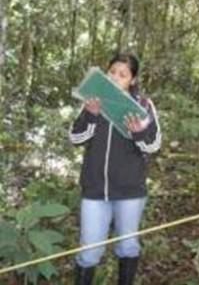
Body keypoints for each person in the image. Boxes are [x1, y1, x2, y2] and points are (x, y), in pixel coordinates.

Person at [69, 53, 161, 285]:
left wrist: (139, 131)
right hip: (95, 190)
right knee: (89, 252)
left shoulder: (143, 105)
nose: (116, 78)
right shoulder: (94, 100)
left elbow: (153, 145)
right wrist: (90, 115)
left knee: (128, 246)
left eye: (123, 75)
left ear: (132, 80)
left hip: (130, 190)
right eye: (112, 72)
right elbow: (75, 137)